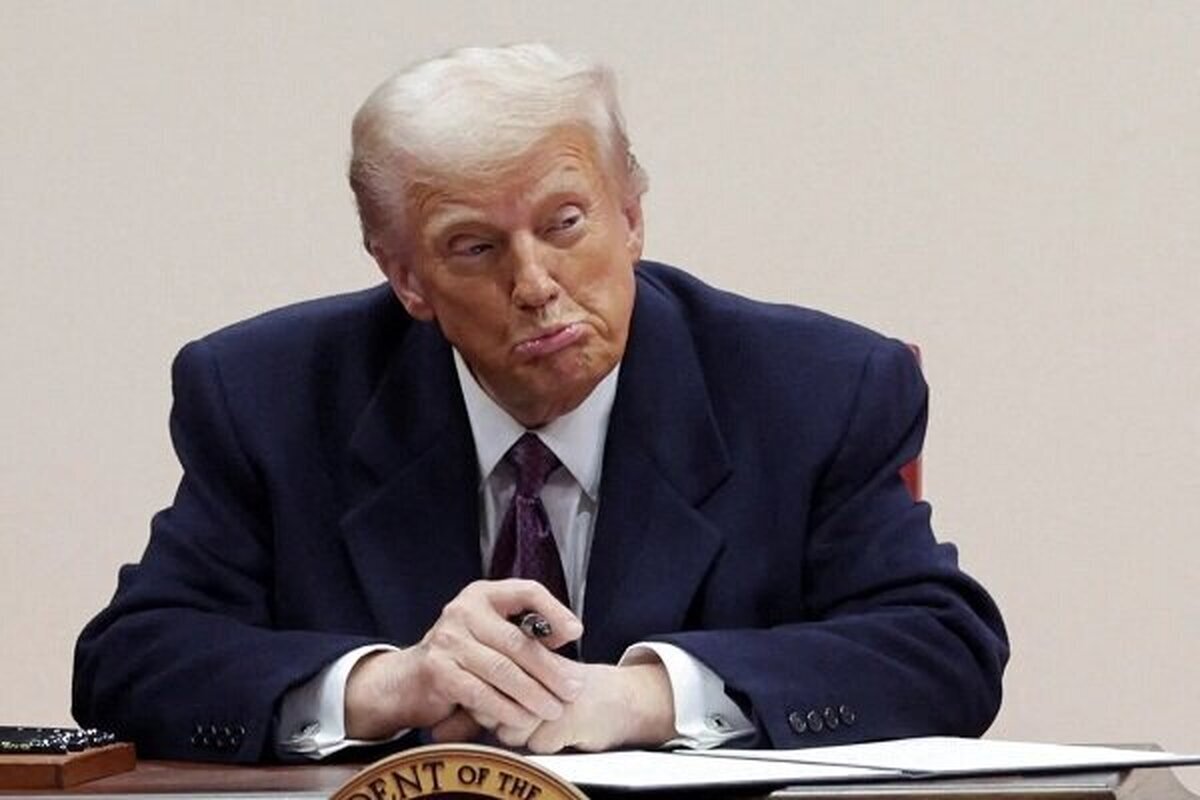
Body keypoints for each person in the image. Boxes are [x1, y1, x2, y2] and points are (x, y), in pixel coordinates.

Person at [72, 43, 1008, 763]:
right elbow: (130, 661)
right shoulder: (267, 397)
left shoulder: (817, 389)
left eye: (565, 224)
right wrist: (389, 686)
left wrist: (644, 699)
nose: (535, 284)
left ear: (631, 217)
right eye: (475, 248)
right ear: (407, 278)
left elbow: (942, 651)